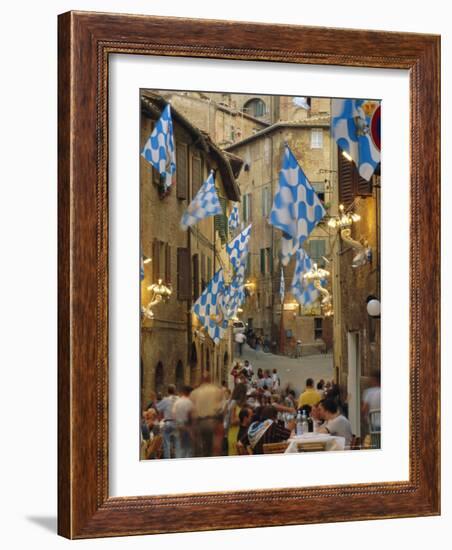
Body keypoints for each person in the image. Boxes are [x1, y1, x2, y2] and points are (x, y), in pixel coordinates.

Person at [190, 375, 224, 457]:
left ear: (201, 380)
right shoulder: (217, 391)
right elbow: (221, 408)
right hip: (213, 421)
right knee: (213, 449)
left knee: (200, 449)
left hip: (199, 423)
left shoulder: (194, 392)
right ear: (210, 380)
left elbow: (192, 410)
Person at [156, 385, 178, 459]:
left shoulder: (166, 399)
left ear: (168, 391)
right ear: (175, 391)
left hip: (168, 423)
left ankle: (167, 460)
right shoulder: (179, 399)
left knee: (166, 444)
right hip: (177, 423)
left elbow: (157, 408)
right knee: (177, 444)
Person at [225, 383, 248, 455]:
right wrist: (244, 418)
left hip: (238, 432)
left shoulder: (236, 403)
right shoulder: (233, 404)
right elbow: (232, 421)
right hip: (234, 433)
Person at [173, 385, 194, 459]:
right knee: (188, 448)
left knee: (179, 446)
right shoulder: (190, 402)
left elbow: (174, 414)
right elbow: (192, 415)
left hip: (178, 425)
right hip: (187, 426)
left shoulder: (177, 402)